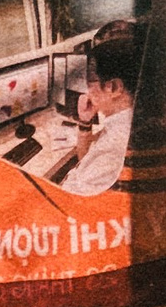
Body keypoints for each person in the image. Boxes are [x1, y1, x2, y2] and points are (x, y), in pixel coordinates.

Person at [59, 23, 139, 193]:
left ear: (114, 88)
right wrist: (85, 123)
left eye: (90, 81)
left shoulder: (112, 148)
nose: (86, 90)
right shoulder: (124, 120)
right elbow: (86, 163)